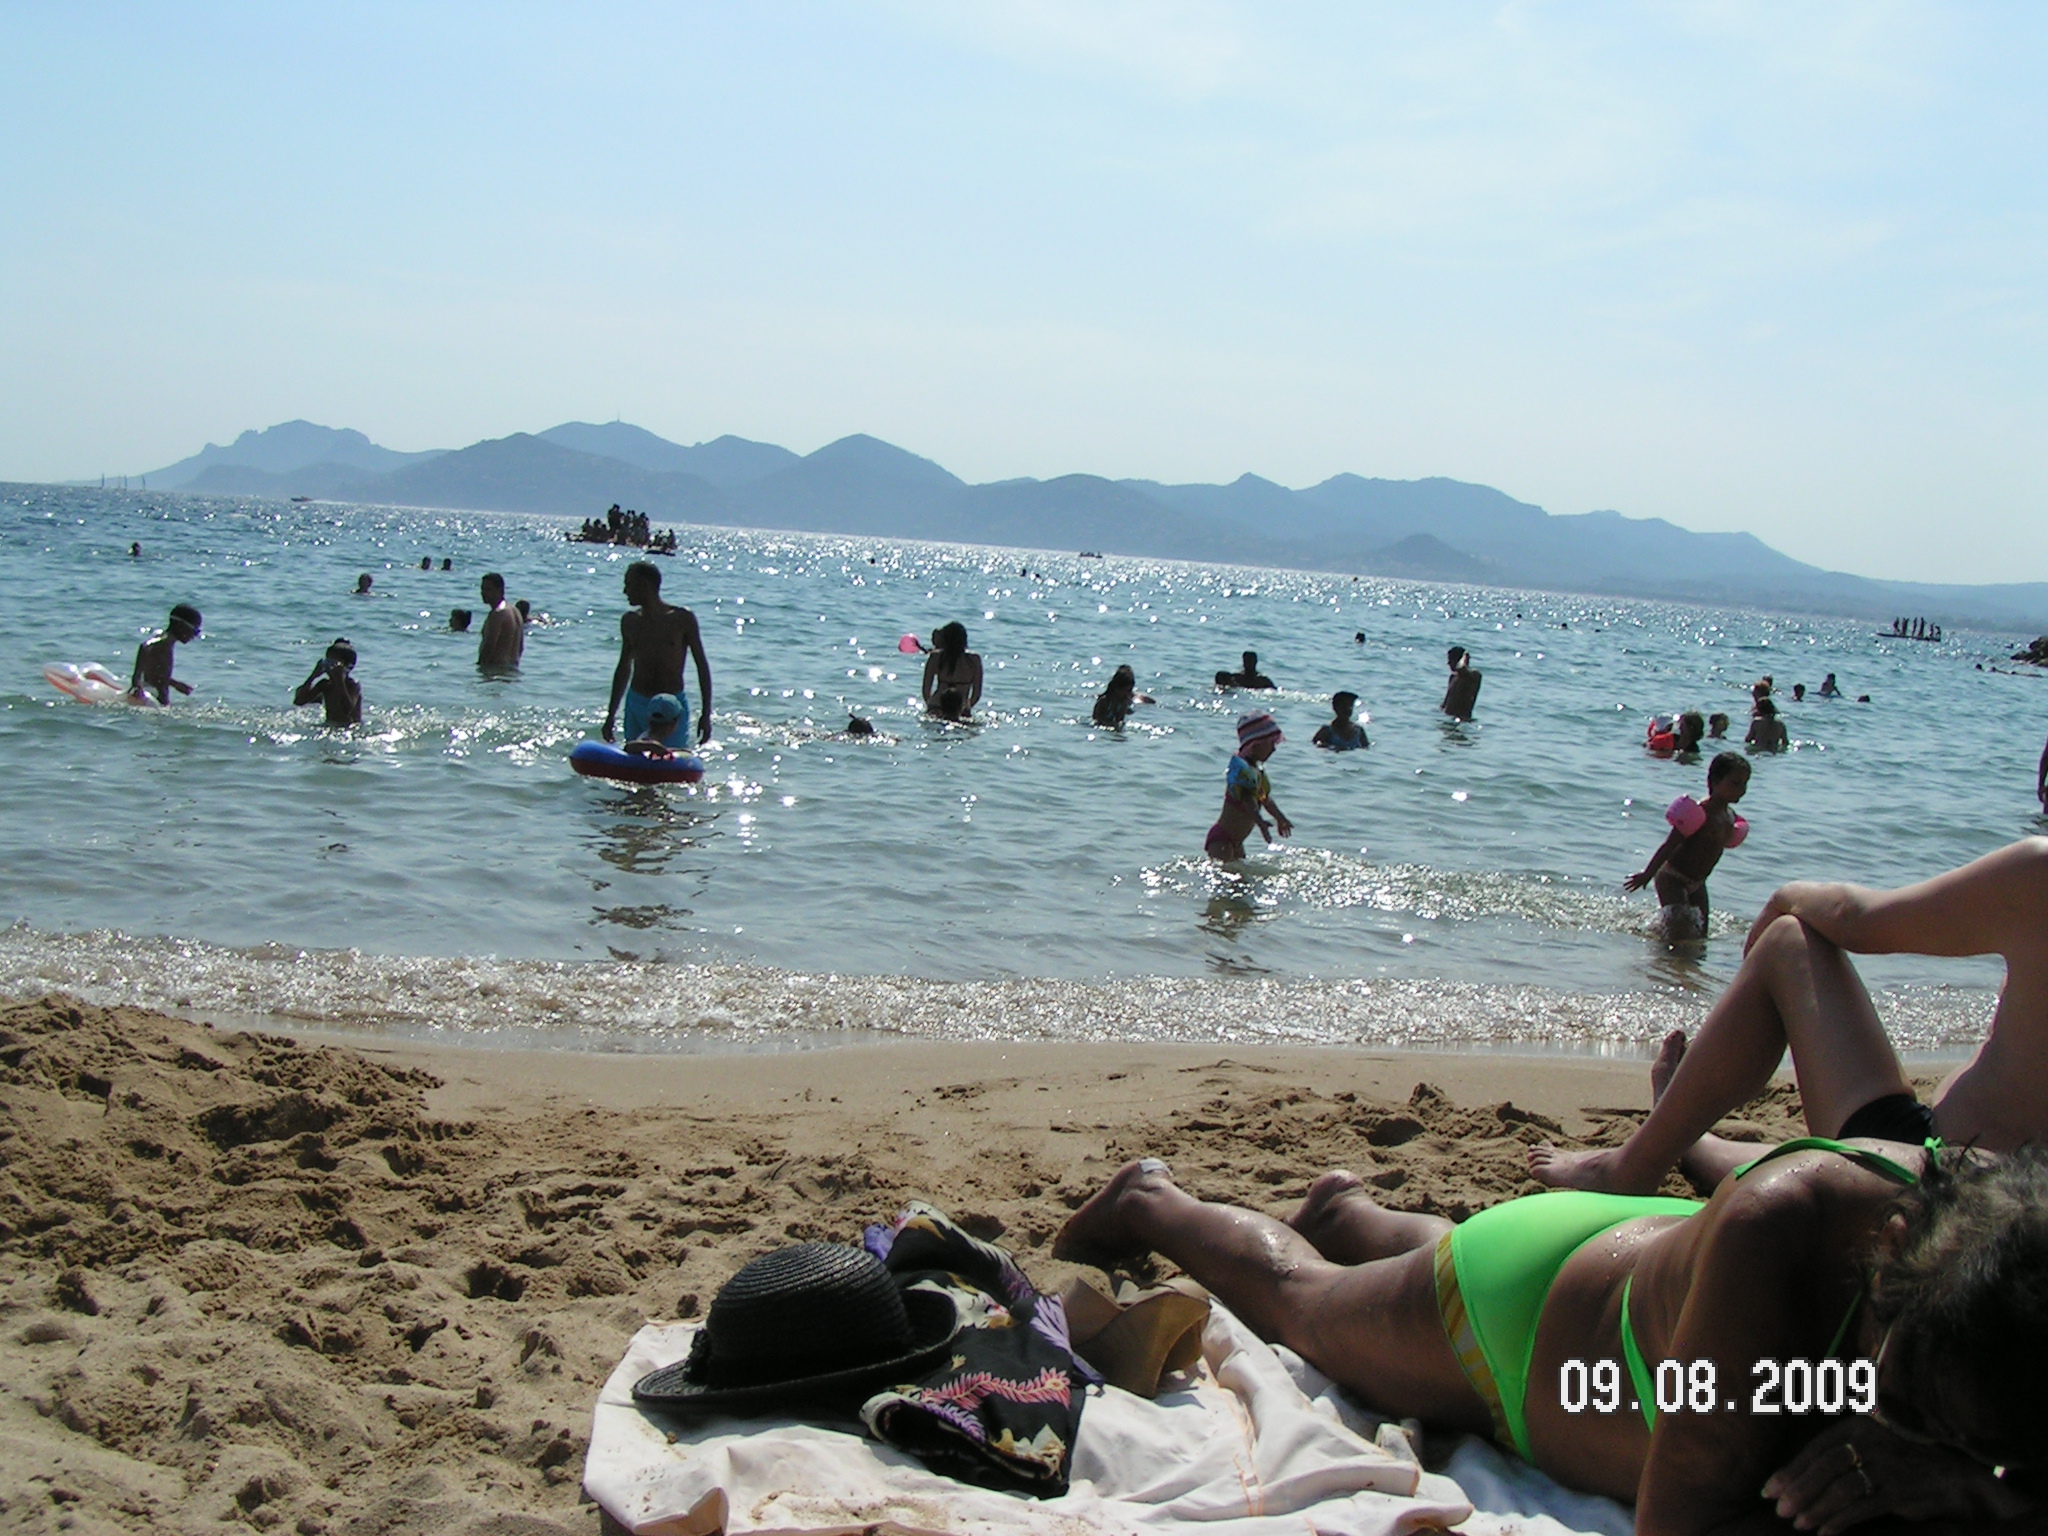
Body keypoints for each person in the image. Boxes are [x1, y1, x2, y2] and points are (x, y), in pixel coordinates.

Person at [1054, 1147, 2048, 1535]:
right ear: (1888, 1252)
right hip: (1521, 1330)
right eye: (1900, 1403)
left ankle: (1348, 1213)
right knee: (1302, 1305)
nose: (1901, 1435)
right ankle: (1152, 1199)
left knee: (1410, 1272)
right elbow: (1679, 1524)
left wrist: (1968, 1483)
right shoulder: (1781, 1238)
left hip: (1641, 1262)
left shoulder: (2002, 1259)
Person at [1533, 838, 2048, 1199]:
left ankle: (1633, 1167)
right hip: (2023, 1202)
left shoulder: (2040, 871)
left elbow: (1856, 920)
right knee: (1808, 1159)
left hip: (1943, 1185)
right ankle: (1692, 1140)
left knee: (1788, 942)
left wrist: (1785, 897)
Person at [1625, 752, 1751, 942]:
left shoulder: (1730, 817)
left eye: (1744, 784)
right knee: (1679, 934)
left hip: (1698, 882)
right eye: (1735, 783)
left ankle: (1653, 931)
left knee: (1700, 935)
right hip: (1672, 877)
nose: (1741, 789)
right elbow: (1669, 845)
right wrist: (1647, 874)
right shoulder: (1699, 812)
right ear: (1714, 781)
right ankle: (1660, 952)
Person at [602, 560, 712, 747]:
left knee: (671, 759)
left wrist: (706, 714)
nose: (625, 591)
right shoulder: (630, 621)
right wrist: (611, 714)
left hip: (671, 707)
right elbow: (623, 668)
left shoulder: (681, 619)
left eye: (628, 584)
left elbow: (701, 666)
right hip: (637, 702)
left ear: (644, 585)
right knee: (633, 760)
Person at [1205, 711, 1291, 861]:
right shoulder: (1241, 771)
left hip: (1237, 842)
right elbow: (1247, 800)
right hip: (1222, 839)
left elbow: (1264, 799)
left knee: (1239, 874)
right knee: (1225, 873)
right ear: (1255, 745)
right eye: (1271, 743)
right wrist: (1260, 822)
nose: (1274, 749)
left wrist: (1280, 818)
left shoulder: (1256, 772)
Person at [129, 603, 201, 704]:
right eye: (195, 630)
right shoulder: (165, 640)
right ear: (181, 626)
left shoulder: (167, 641)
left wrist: (175, 684)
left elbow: (156, 675)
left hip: (156, 698)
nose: (194, 635)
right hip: (154, 699)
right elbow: (145, 646)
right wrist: (136, 682)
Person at [292, 638, 362, 726]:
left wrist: (339, 680)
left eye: (333, 664)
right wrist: (312, 676)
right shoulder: (325, 685)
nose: (330, 668)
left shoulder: (352, 685)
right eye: (328, 662)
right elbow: (298, 701)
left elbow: (348, 712)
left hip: (351, 728)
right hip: (331, 725)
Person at [921, 622, 982, 721]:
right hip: (961, 708)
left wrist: (930, 704)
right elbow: (976, 694)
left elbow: (926, 690)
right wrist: (966, 707)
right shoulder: (973, 660)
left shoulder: (936, 657)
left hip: (936, 706)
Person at [476, 573, 524, 669]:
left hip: (495, 670)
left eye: (488, 589)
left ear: (500, 590)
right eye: (482, 589)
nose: (483, 593)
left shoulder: (497, 614)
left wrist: (480, 667)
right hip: (512, 670)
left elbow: (489, 646)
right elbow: (520, 647)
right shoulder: (516, 612)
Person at [1442, 647, 1481, 720]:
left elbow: (1462, 670)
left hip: (1463, 719)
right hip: (1448, 717)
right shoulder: (1452, 677)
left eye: (1451, 659)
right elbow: (1445, 702)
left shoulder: (1474, 675)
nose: (1448, 663)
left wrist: (1464, 659)